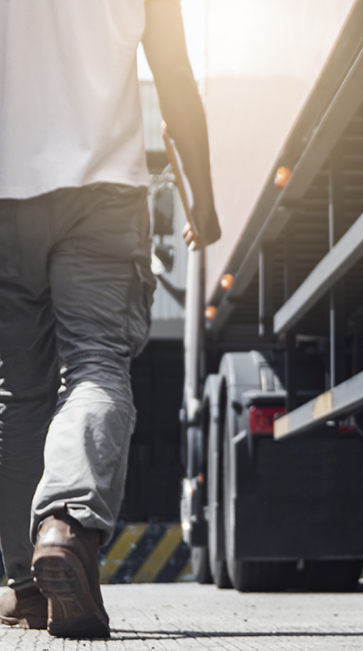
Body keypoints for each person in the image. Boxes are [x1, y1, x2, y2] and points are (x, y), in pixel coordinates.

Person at [0, 0, 219, 638]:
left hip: (6, 195)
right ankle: (66, 524)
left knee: (19, 392)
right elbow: (174, 74)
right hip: (103, 195)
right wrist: (201, 195)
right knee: (95, 364)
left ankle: (25, 583)